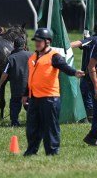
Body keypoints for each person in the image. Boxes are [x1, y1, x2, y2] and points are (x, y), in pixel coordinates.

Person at [22, 28, 85, 156]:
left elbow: (64, 67)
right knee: (32, 128)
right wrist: (25, 94)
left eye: (40, 41)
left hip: (50, 98)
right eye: (36, 41)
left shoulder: (54, 56)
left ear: (48, 42)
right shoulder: (33, 57)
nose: (37, 43)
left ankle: (52, 152)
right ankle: (31, 151)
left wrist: (74, 72)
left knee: (50, 128)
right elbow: (31, 78)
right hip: (34, 98)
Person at [70, 21, 97, 122]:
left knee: (86, 96)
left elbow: (78, 43)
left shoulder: (92, 40)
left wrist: (66, 46)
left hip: (88, 74)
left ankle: (90, 118)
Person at [0, 37, 32, 126]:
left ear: (14, 46)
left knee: (15, 104)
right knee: (30, 105)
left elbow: (5, 73)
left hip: (16, 88)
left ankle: (14, 122)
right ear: (24, 46)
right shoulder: (32, 55)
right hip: (30, 87)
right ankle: (32, 121)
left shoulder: (11, 58)